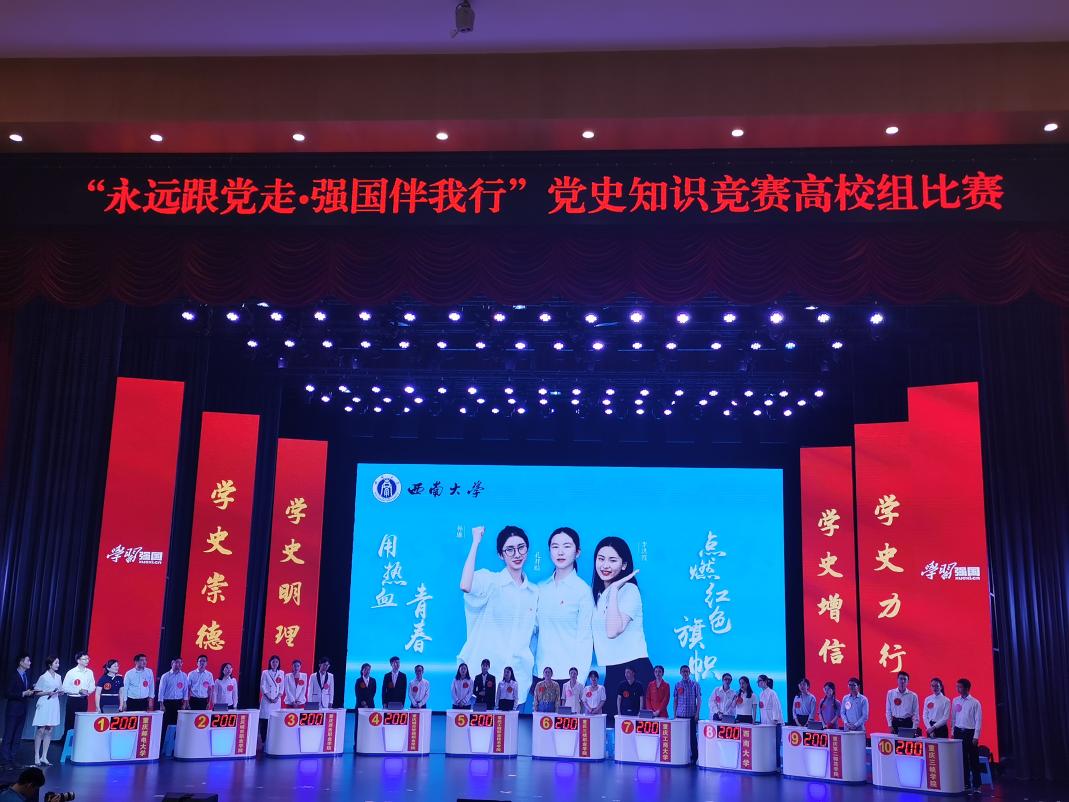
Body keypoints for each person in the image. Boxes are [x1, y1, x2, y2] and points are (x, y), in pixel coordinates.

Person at [460, 525, 539, 707]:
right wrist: (475, 542)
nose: (517, 554)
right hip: (483, 683)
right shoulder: (490, 581)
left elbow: (534, 638)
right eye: (509, 550)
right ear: (501, 555)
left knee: (512, 726)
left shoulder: (534, 592)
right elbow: (465, 585)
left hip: (518, 683)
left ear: (527, 550)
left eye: (521, 548)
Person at [591, 536, 652, 719]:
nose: (605, 565)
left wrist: (615, 590)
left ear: (624, 565)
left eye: (612, 560)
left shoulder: (629, 591)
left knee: (634, 729)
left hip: (635, 670)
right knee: (611, 727)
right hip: (612, 670)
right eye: (601, 559)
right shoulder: (598, 595)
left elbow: (612, 631)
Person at [535, 527, 595, 685]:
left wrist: (578, 682)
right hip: (539, 673)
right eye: (555, 547)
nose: (560, 552)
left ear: (577, 552)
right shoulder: (540, 588)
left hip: (567, 676)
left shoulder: (583, 591)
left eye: (567, 546)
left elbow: (585, 639)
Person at [2, 654, 33, 769]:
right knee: (9, 736)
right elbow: (7, 693)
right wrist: (22, 693)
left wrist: (31, 691)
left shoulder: (26, 676)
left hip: (23, 710)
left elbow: (26, 692)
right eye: (28, 660)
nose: (30, 663)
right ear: (21, 662)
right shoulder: (13, 675)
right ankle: (5, 761)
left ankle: (13, 759)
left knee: (17, 736)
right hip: (13, 710)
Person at [953, 678, 983, 795]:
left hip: (970, 733)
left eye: (960, 687)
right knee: (962, 759)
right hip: (958, 732)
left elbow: (978, 720)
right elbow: (954, 717)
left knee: (973, 759)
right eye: (957, 686)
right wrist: (952, 731)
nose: (958, 689)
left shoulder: (975, 702)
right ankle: (966, 783)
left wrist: (976, 736)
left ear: (967, 688)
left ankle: (977, 785)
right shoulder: (955, 700)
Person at [30, 657, 61, 767]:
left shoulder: (58, 677)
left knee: (49, 730)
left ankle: (44, 756)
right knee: (41, 730)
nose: (58, 664)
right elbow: (36, 692)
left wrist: (60, 692)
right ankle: (36, 756)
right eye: (56, 663)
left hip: (54, 704)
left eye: (58, 663)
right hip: (44, 703)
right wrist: (48, 692)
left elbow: (60, 689)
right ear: (50, 664)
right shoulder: (43, 677)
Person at [673, 665, 702, 764]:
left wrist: (697, 713)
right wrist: (674, 715)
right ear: (680, 673)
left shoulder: (695, 684)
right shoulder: (677, 685)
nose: (685, 673)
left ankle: (694, 757)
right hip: (680, 716)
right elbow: (675, 700)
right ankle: (680, 756)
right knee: (680, 737)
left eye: (687, 671)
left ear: (689, 672)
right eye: (683, 671)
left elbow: (699, 700)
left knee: (693, 738)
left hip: (691, 715)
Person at [61, 651, 94, 736]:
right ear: (78, 660)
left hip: (83, 700)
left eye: (88, 659)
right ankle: (67, 741)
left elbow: (92, 686)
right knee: (70, 722)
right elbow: (64, 688)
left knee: (81, 722)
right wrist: (78, 691)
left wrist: (87, 691)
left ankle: (78, 740)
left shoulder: (89, 672)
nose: (87, 661)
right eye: (84, 659)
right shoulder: (71, 672)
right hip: (73, 700)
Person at [259, 655, 283, 743]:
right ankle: (263, 740)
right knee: (265, 720)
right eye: (273, 662)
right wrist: (268, 697)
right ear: (270, 663)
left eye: (276, 662)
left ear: (279, 663)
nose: (275, 663)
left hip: (276, 700)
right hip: (266, 699)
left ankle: (273, 740)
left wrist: (277, 697)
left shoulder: (281, 673)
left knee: (274, 720)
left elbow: (282, 687)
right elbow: (262, 686)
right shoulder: (265, 672)